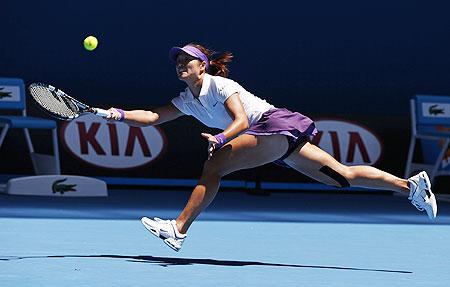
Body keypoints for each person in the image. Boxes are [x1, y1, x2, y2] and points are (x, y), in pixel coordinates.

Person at [107, 43, 438, 252]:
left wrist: (221, 139)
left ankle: (177, 229)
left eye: (187, 60)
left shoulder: (219, 85)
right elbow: (152, 117)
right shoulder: (186, 100)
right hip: (278, 138)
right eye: (177, 60)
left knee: (215, 166)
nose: (180, 63)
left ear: (202, 66)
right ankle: (411, 186)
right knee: (342, 176)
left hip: (272, 126)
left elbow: (239, 121)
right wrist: (116, 114)